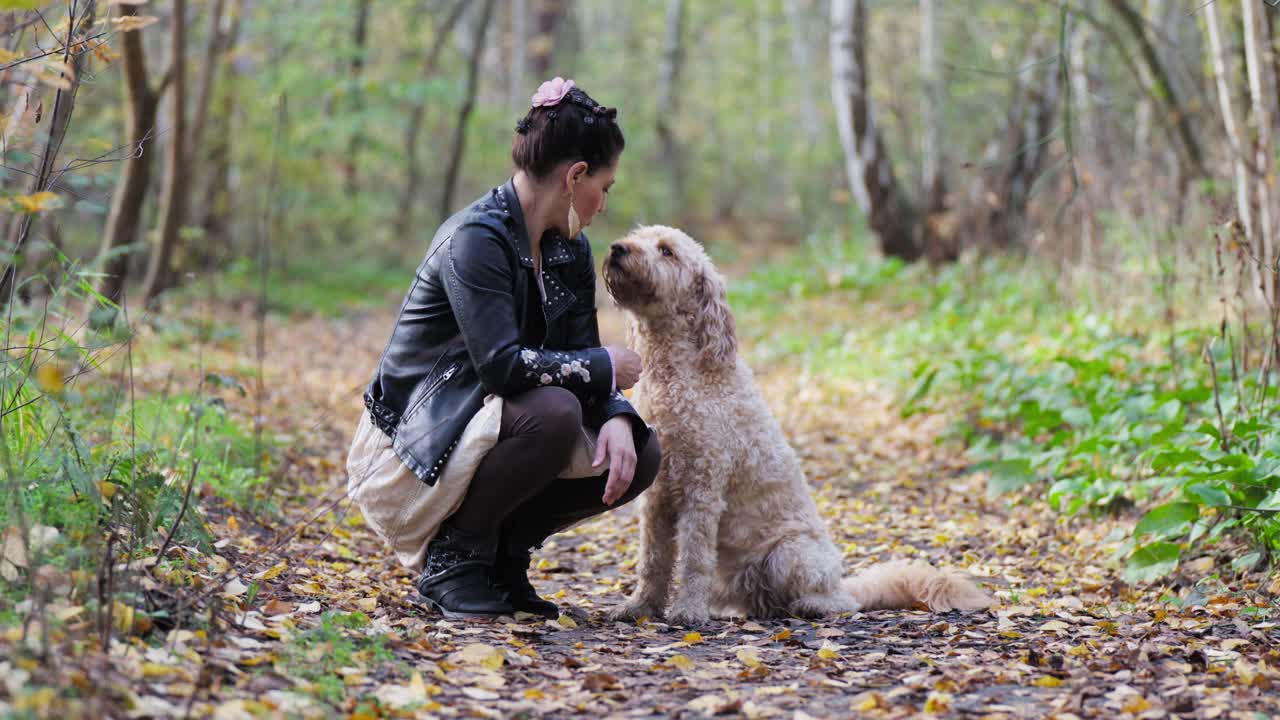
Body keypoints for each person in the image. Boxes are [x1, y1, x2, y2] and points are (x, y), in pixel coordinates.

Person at [351, 77, 660, 619]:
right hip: (412, 446)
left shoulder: (569, 248)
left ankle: (502, 559)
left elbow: (577, 351)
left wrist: (613, 412)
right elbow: (501, 367)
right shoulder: (476, 238)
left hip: (482, 423)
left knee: (640, 451)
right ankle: (454, 559)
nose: (604, 203)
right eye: (605, 187)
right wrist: (604, 367)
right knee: (556, 413)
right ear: (575, 176)